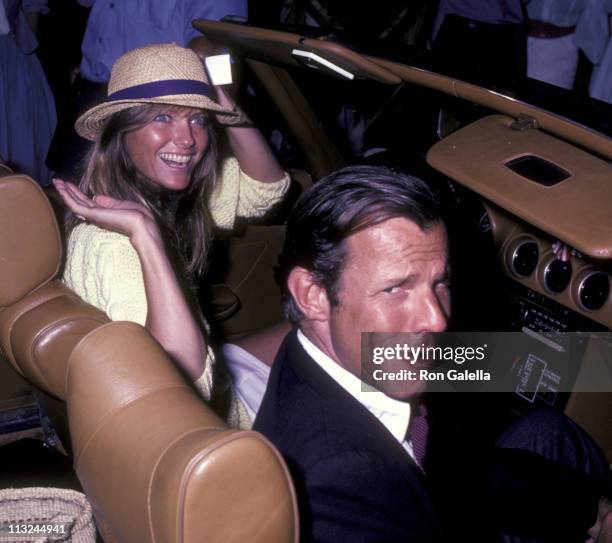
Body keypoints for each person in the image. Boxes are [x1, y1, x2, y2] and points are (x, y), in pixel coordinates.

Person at [253, 165, 612, 542]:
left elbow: (449, 473)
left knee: (549, 428)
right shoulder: (336, 488)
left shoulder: (328, 360)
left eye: (441, 282)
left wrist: (593, 509)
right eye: (397, 289)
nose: (437, 319)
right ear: (312, 295)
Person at [54, 43, 290, 429]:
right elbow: (182, 375)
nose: (188, 140)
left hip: (224, 392)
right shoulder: (117, 245)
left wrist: (223, 103)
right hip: (221, 425)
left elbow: (267, 188)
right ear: (120, 133)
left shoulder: (162, 199)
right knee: (363, 344)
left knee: (315, 330)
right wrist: (145, 235)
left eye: (198, 121)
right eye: (163, 118)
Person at [47, 0, 248, 180]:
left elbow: (218, 49)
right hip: (92, 93)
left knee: (140, 201)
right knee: (68, 192)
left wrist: (217, 108)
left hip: (158, 107)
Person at [0, 0, 57, 185]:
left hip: (11, 54)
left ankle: (19, 196)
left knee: (20, 129)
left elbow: (31, 8)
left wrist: (26, 46)